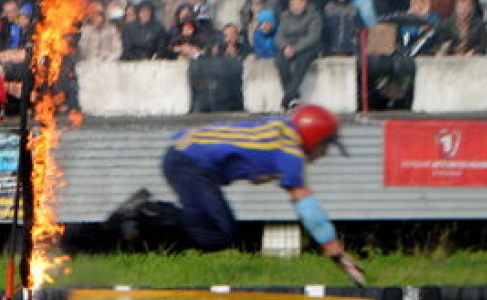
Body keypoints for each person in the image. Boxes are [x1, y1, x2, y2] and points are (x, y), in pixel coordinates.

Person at [106, 104, 367, 285]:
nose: (324, 154)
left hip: (184, 153)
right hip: (190, 162)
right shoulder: (290, 154)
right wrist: (337, 255)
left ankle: (143, 216)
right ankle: (144, 213)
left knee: (211, 231)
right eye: (325, 146)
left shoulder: (282, 128)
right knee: (220, 233)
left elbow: (249, 154)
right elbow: (310, 212)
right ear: (313, 138)